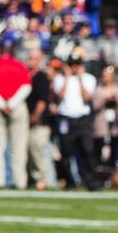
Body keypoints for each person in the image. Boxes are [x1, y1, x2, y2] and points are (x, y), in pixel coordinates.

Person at [0, 36, 32, 190]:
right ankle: (20, 182)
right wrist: (12, 103)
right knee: (19, 146)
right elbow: (26, 87)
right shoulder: (19, 66)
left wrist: (3, 104)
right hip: (17, 107)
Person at [53, 51, 99, 189]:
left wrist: (79, 79)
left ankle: (91, 181)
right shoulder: (59, 78)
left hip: (83, 120)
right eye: (71, 64)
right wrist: (67, 77)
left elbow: (86, 97)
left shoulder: (89, 78)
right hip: (66, 118)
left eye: (76, 65)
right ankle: (70, 181)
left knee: (88, 150)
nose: (74, 67)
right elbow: (59, 95)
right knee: (66, 152)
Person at [25, 48, 52, 190]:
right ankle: (32, 178)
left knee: (38, 150)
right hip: (27, 120)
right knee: (29, 151)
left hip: (39, 122)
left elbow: (42, 100)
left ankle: (42, 179)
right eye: (30, 58)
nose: (30, 61)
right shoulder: (26, 76)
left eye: (34, 58)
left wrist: (35, 116)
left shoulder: (41, 77)